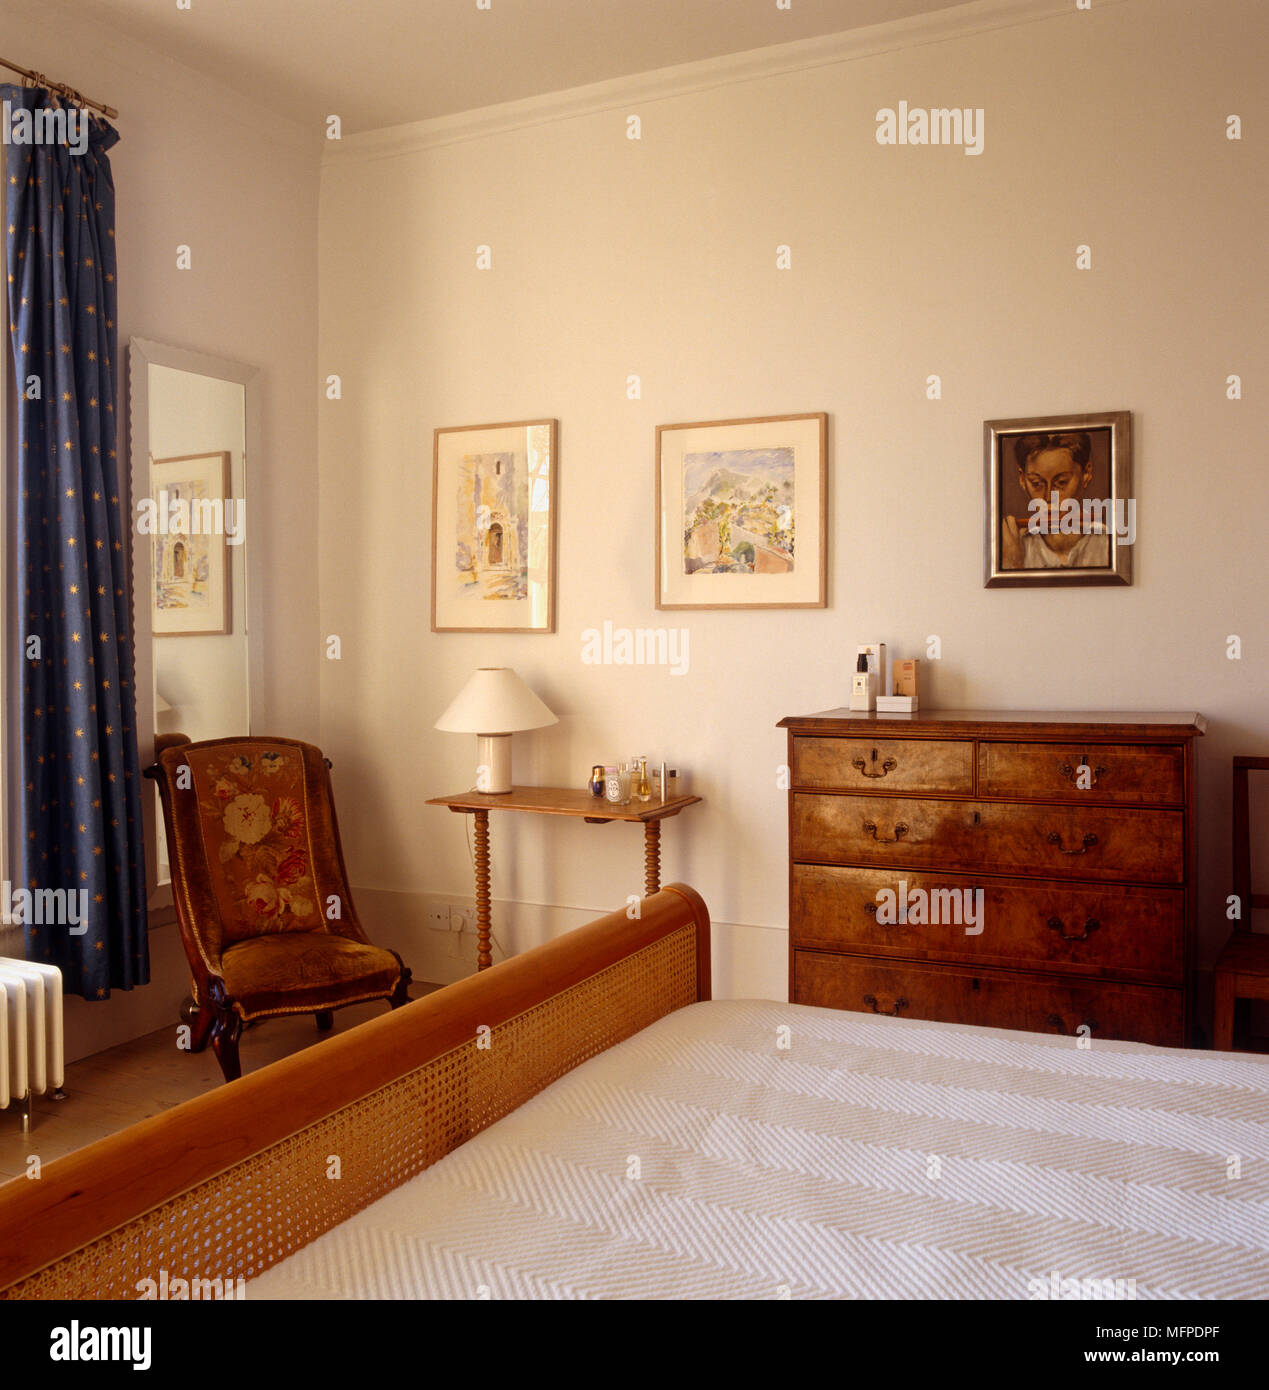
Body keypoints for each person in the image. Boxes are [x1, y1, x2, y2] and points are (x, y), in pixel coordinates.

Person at [1000, 430, 1111, 569]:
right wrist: (1012, 565)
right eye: (1036, 483)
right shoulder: (1013, 549)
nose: (1048, 497)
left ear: (1086, 474)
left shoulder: (1112, 544)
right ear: (1022, 479)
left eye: (1062, 482)